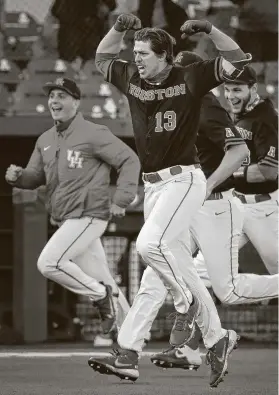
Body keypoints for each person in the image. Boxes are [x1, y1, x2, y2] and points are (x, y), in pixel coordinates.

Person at [88, 13, 252, 387]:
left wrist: (210, 30)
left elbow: (240, 60)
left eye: (144, 52)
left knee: (149, 245)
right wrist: (117, 29)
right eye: (135, 51)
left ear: (165, 55)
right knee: (161, 270)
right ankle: (203, 339)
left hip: (183, 180)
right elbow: (101, 58)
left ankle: (186, 306)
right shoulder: (132, 77)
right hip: (154, 186)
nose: (137, 57)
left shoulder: (189, 77)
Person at [147, 57, 278, 372]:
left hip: (265, 208)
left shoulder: (265, 117)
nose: (232, 94)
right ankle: (192, 349)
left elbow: (269, 171)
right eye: (229, 89)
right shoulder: (223, 114)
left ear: (253, 88)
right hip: (233, 207)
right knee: (200, 276)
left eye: (238, 89)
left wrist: (232, 169)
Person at [5, 77, 141, 335]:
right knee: (104, 277)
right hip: (68, 219)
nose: (54, 100)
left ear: (76, 102)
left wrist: (121, 198)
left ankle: (100, 296)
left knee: (48, 263)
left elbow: (129, 160)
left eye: (62, 96)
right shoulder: (45, 139)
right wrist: (20, 177)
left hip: (89, 214)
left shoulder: (94, 133)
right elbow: (36, 177)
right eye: (52, 95)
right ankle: (133, 337)